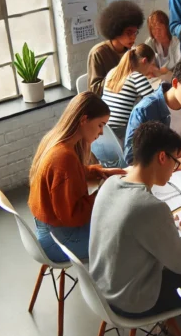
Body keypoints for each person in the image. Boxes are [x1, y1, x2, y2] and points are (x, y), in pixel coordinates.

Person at [90, 121, 181, 318]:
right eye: (175, 160)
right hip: (133, 301)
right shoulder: (149, 207)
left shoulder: (110, 184)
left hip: (101, 289)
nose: (175, 168)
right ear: (162, 157)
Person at [28, 92, 126, 262]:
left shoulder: (56, 142)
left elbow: (69, 175)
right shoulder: (64, 157)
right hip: (60, 240)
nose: (102, 132)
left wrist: (97, 172)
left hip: (47, 229)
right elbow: (73, 217)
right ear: (84, 120)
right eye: (100, 125)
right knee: (125, 232)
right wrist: (105, 192)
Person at [101, 44, 159, 141]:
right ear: (144, 61)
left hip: (104, 129)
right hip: (120, 132)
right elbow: (155, 101)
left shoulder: (113, 72)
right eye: (151, 65)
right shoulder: (136, 76)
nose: (151, 69)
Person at [88, 0, 145, 96]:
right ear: (117, 30)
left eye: (135, 32)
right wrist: (121, 72)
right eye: (129, 32)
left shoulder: (130, 50)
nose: (133, 37)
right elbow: (95, 90)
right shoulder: (98, 53)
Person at [144, 10, 181, 78]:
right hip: (157, 77)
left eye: (159, 29)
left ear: (167, 27)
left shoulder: (176, 42)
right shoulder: (150, 42)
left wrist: (158, 72)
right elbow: (146, 62)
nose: (157, 32)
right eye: (153, 29)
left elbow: (174, 63)